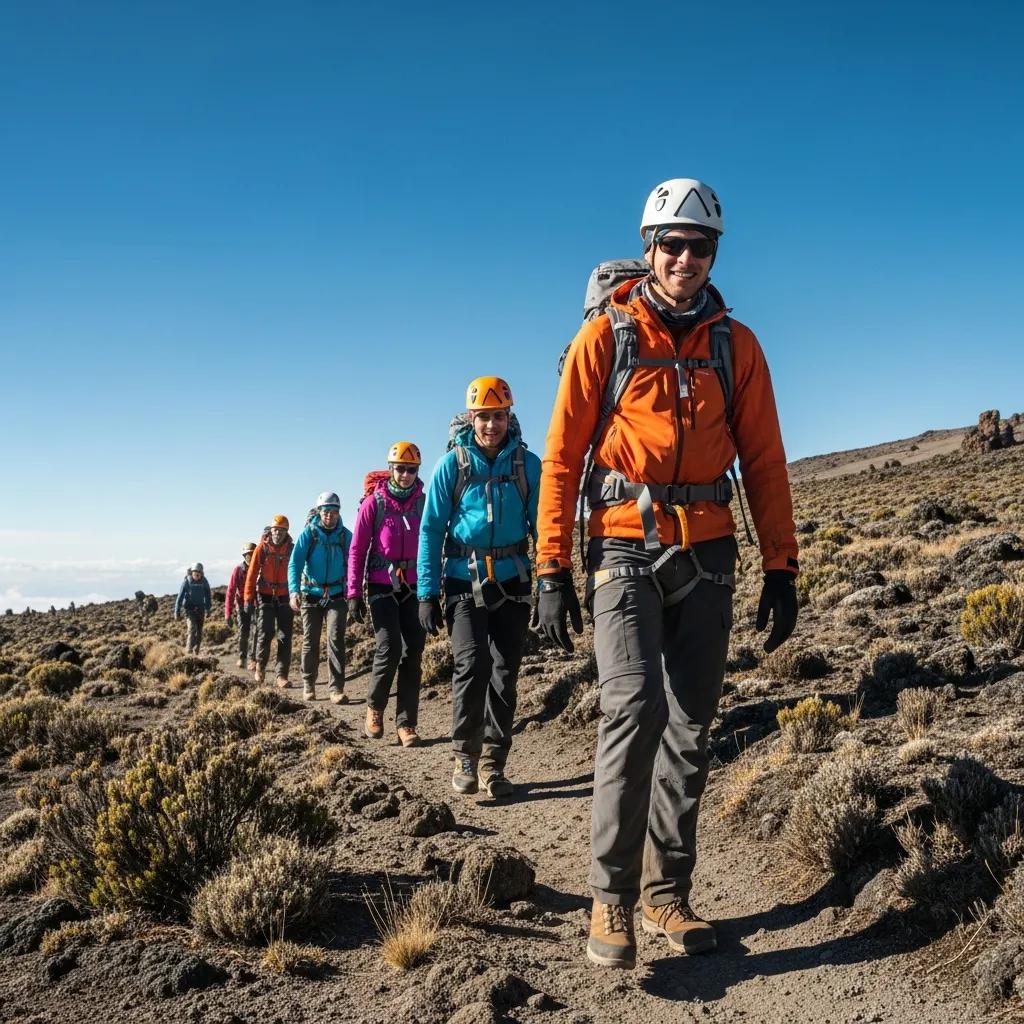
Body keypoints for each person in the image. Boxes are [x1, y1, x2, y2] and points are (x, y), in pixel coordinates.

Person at [535, 178, 799, 969]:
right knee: (634, 709)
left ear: (716, 253)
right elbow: (561, 459)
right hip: (623, 546)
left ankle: (666, 895)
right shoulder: (606, 339)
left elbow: (765, 460)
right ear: (648, 248)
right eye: (672, 244)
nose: (686, 258)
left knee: (691, 725)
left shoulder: (736, 345)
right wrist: (552, 563)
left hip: (711, 550)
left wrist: (782, 566)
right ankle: (610, 901)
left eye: (701, 246)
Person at [418, 377, 541, 798]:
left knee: (505, 675)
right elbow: (431, 530)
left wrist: (551, 582)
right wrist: (426, 592)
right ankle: (464, 755)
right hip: (461, 581)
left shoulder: (528, 465)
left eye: (499, 416)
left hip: (514, 582)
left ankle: (494, 763)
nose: (492, 425)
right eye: (484, 417)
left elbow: (544, 527)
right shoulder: (451, 466)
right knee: (471, 667)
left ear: (510, 416)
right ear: (471, 418)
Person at [347, 442, 427, 747]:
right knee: (390, 647)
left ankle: (406, 723)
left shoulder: (423, 502)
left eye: (412, 470)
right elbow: (357, 550)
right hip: (381, 585)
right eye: (400, 469)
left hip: (415, 587)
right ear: (390, 469)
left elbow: (434, 543)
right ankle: (375, 708)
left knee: (414, 651)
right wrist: (354, 592)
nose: (405, 475)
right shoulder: (375, 503)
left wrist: (435, 588)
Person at [289, 492, 353, 703]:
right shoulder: (309, 534)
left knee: (336, 639)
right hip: (311, 595)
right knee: (311, 641)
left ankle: (336, 689)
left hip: (337, 595)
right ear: (319, 512)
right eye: (326, 512)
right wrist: (294, 591)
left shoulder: (345, 535)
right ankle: (309, 683)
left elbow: (354, 563)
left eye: (334, 512)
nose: (330, 516)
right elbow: (295, 563)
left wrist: (353, 591)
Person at [244, 515, 294, 687]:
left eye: (281, 530)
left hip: (285, 596)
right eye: (275, 530)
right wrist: (248, 598)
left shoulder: (291, 549)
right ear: (270, 530)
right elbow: (251, 574)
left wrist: (298, 593)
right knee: (265, 633)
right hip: (264, 595)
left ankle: (281, 675)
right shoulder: (261, 549)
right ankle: (260, 667)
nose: (277, 533)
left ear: (286, 532)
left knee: (285, 636)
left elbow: (298, 571)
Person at [225, 542, 258, 670]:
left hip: (257, 604)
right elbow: (230, 592)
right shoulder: (238, 570)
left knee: (256, 632)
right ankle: (242, 657)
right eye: (247, 555)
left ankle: (253, 659)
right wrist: (228, 614)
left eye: (252, 555)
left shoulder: (259, 569)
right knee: (244, 632)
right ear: (244, 556)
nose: (249, 558)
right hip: (241, 604)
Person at [174, 562, 212, 654]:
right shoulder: (187, 582)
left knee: (199, 631)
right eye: (195, 572)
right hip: (190, 610)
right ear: (192, 572)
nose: (197, 574)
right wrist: (177, 612)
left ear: (202, 573)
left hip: (201, 610)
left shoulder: (204, 581)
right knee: (192, 629)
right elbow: (180, 597)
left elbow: (208, 595)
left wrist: (208, 609)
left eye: (199, 573)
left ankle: (196, 650)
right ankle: (189, 651)